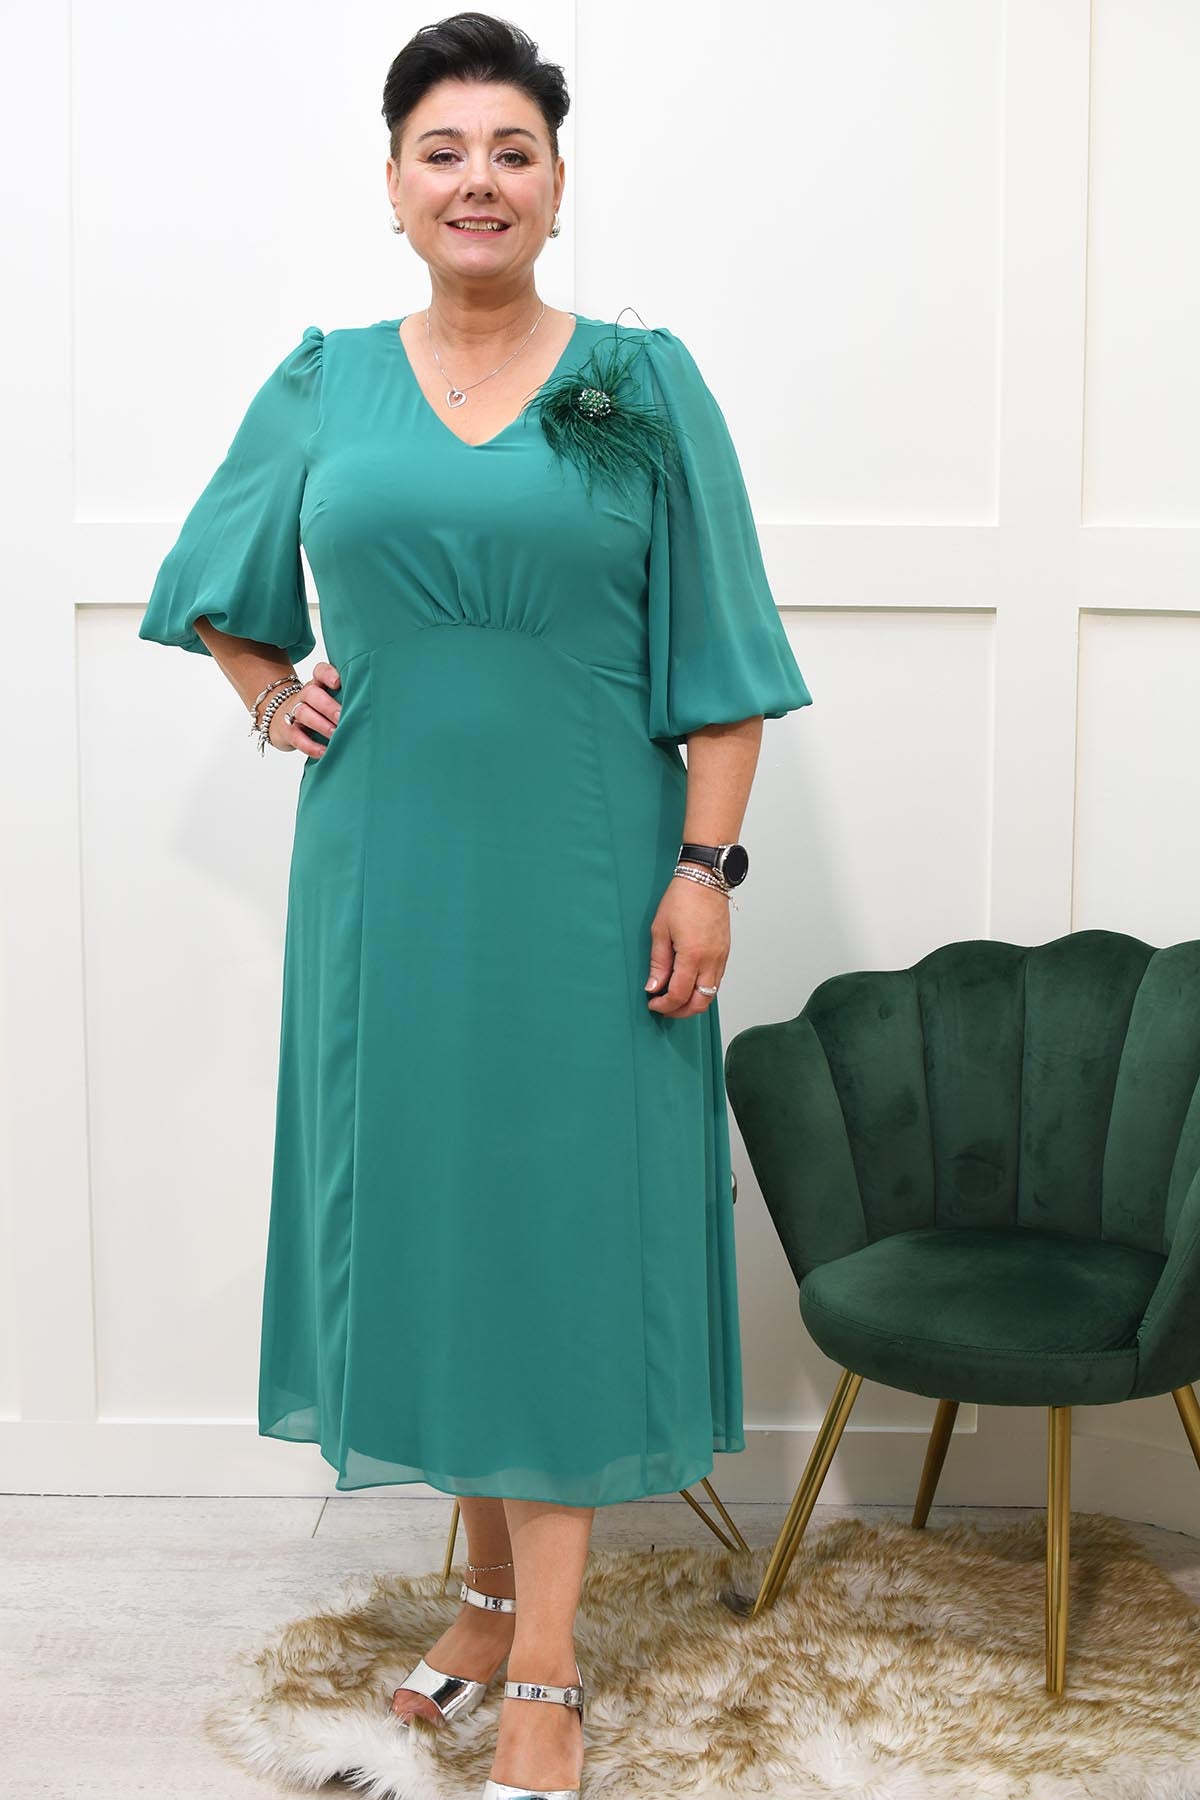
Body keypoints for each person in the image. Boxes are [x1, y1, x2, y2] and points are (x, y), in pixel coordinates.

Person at [138, 12, 813, 1797]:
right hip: (386, 884)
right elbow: (217, 588)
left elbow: (726, 658)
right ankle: (490, 1604)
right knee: (443, 1225)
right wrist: (265, 691)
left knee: (561, 1233)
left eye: (513, 149)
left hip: (594, 875)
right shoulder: (325, 381)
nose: (478, 179)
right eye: (443, 150)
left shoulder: (644, 383)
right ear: (392, 186)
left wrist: (705, 871)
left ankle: (551, 1674)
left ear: (559, 185)